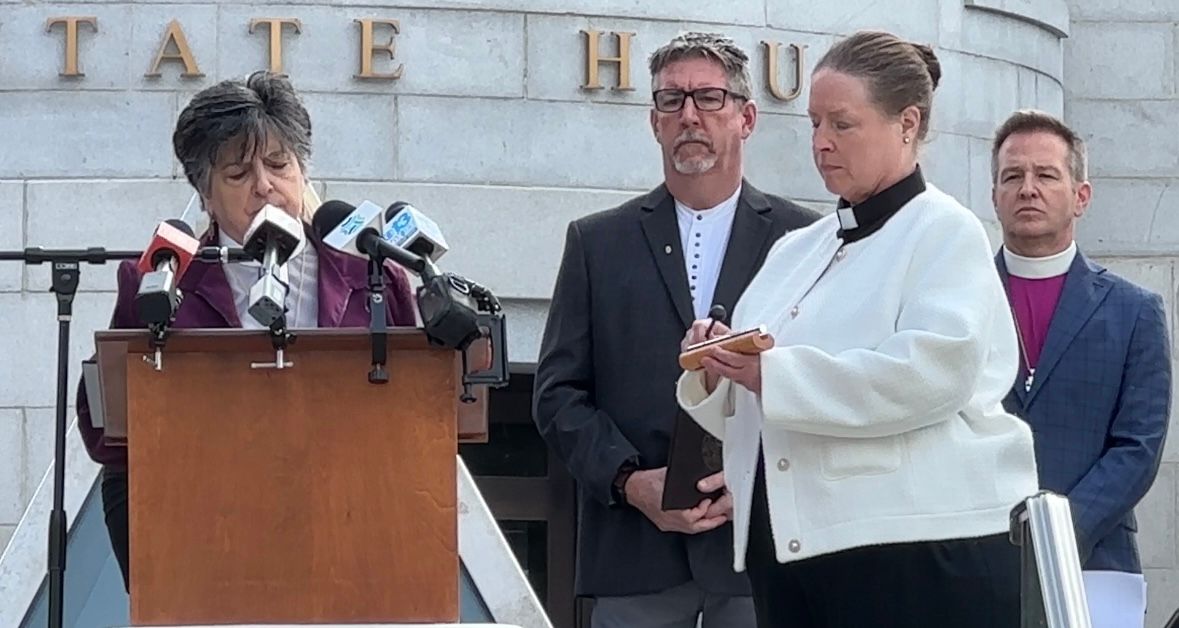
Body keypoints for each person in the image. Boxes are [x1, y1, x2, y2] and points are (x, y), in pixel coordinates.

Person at [676, 30, 1039, 627]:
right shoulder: (795, 250)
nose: (820, 143)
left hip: (911, 553)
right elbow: (761, 399)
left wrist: (775, 374)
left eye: (842, 124)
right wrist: (717, 371)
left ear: (906, 123)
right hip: (793, 547)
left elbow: (932, 373)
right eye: (814, 124)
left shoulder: (945, 230)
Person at [75, 70, 417, 591]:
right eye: (238, 173)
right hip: (211, 552)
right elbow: (109, 434)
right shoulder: (161, 281)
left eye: (279, 165)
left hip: (353, 546)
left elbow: (418, 420)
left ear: (302, 171)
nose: (264, 186)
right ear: (205, 195)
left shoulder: (372, 275)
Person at [533, 32, 818, 628]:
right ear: (654, 122)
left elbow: (823, 384)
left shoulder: (804, 243)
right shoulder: (595, 243)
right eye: (671, 100)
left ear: (747, 117)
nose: (689, 115)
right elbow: (557, 395)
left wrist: (762, 487)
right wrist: (630, 481)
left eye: (709, 98)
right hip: (633, 553)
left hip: (760, 551)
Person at [991, 109, 1171, 628]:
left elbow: (1138, 446)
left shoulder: (1134, 311)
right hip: (977, 560)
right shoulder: (959, 299)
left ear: (1081, 196)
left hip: (1094, 561)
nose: (1028, 189)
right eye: (1012, 176)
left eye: (1046, 175)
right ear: (994, 196)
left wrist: (1060, 529)